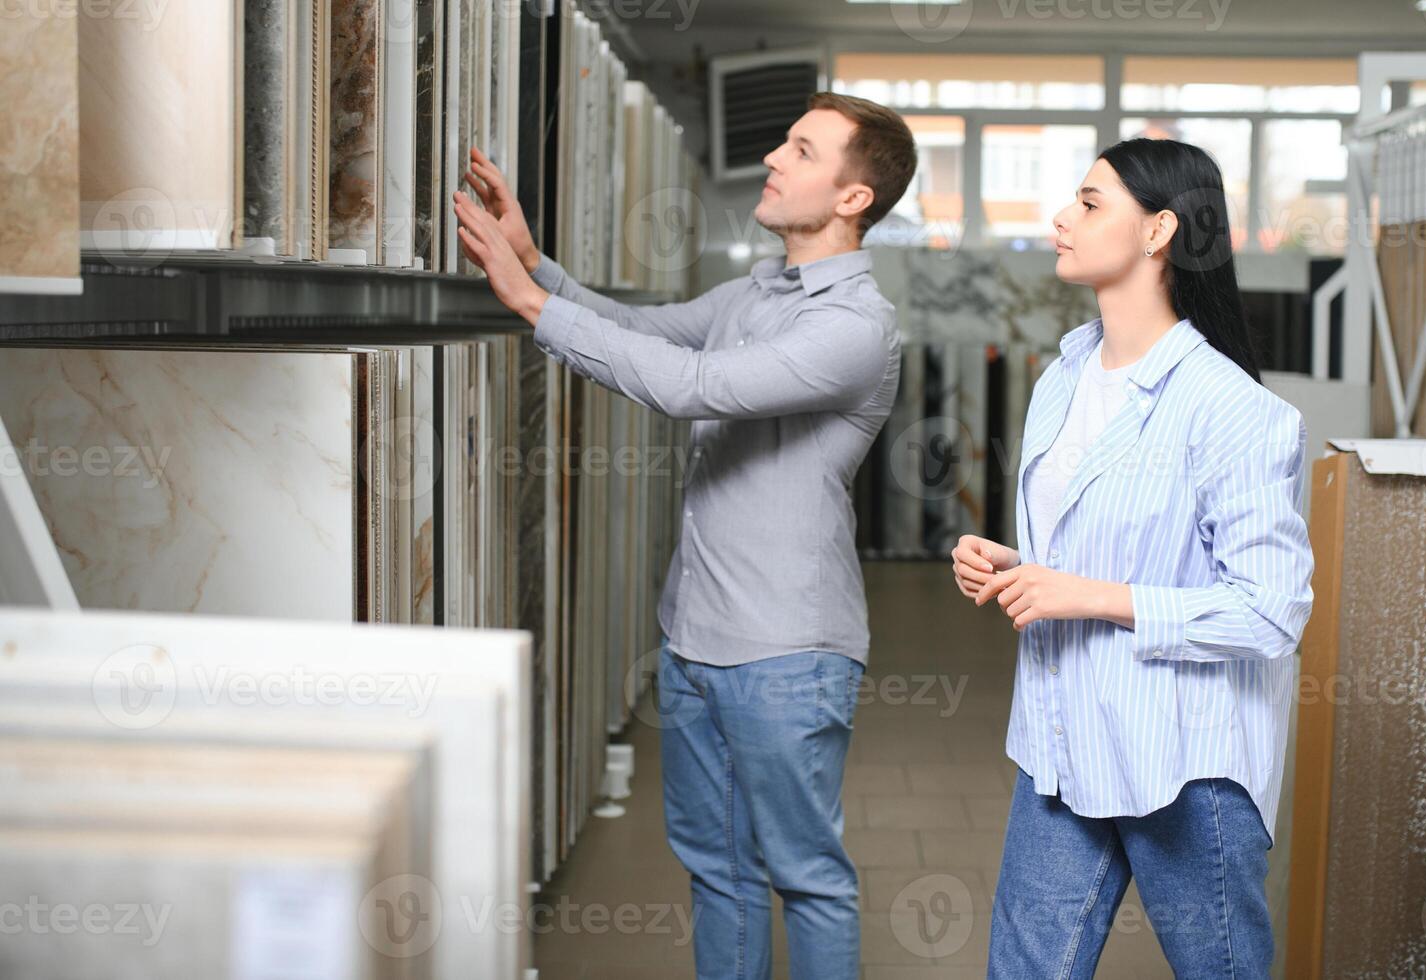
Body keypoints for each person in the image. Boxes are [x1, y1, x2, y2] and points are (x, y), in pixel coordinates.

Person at [454, 92, 918, 980]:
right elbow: (642, 332)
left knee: (807, 878)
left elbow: (688, 384)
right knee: (718, 872)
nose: (774, 159)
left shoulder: (854, 328)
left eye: (801, 149)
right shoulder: (756, 291)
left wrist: (530, 307)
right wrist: (534, 264)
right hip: (695, 636)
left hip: (786, 652)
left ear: (853, 197)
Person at [951, 137, 1315, 977]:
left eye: (1087, 203)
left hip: (1183, 764)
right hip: (1059, 739)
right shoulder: (1065, 374)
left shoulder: (1232, 410)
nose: (1060, 219)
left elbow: (1270, 610)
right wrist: (1012, 566)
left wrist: (1087, 595)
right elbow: (1085, 550)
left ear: (1157, 231)